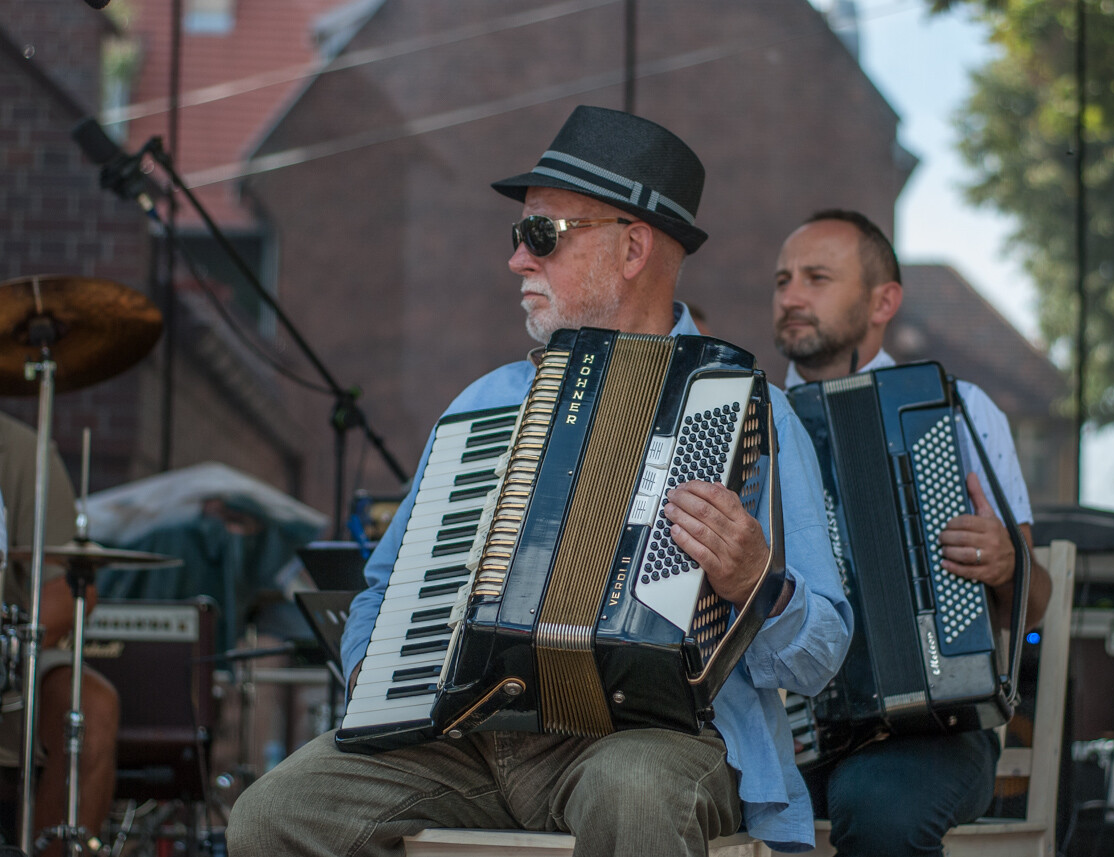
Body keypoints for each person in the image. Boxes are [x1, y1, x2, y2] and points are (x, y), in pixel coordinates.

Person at [226, 106, 852, 857]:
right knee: (273, 815)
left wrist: (759, 580)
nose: (518, 260)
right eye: (518, 237)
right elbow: (382, 587)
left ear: (631, 248)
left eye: (542, 235)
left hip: (658, 741)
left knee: (636, 793)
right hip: (466, 741)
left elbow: (821, 658)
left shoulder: (756, 412)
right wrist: (382, 667)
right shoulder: (485, 403)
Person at [772, 209, 1054, 857]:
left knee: (881, 812)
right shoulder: (753, 418)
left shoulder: (957, 411)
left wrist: (1009, 565)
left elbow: (1032, 613)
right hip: (777, 726)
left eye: (816, 277)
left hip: (931, 729)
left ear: (884, 301)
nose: (790, 296)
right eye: (783, 279)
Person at [0, 411, 119, 857]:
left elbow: (66, 590)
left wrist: (10, 647)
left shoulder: (20, 450)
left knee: (91, 706)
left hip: (9, 658)